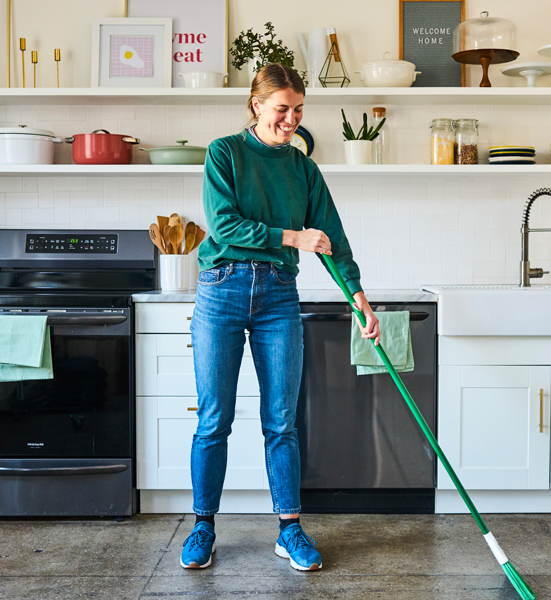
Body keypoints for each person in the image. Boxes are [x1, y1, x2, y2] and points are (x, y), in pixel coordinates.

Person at [180, 63, 381, 572]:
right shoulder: (224, 153)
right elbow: (224, 225)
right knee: (213, 420)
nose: (291, 120)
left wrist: (357, 295)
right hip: (221, 290)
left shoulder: (303, 169)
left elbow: (331, 237)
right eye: (281, 110)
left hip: (277, 296)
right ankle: (203, 527)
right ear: (256, 105)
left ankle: (289, 529)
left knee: (282, 421)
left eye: (297, 111)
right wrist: (292, 237)